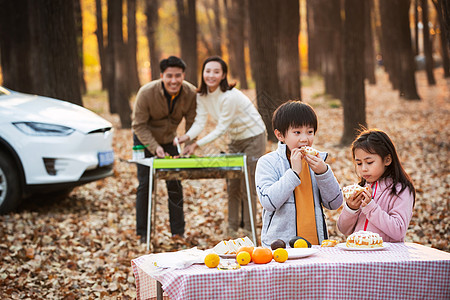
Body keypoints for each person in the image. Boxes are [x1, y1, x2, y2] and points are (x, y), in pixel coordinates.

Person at [176, 56, 267, 238]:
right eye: (208, 71)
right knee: (232, 183)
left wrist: (196, 145)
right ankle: (232, 228)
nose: (211, 75)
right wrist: (186, 137)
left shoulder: (229, 96)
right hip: (235, 141)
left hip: (254, 138)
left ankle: (249, 230)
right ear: (203, 73)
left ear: (223, 74)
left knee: (248, 184)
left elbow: (221, 128)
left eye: (216, 72)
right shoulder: (201, 95)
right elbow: (200, 121)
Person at [255, 100, 343, 248]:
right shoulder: (268, 162)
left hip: (316, 246)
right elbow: (269, 202)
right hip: (281, 248)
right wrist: (294, 173)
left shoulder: (317, 162)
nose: (305, 139)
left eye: (310, 132)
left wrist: (323, 172)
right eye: (297, 132)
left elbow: (335, 203)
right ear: (280, 135)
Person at [132, 56, 197, 243]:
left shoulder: (190, 93)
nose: (174, 80)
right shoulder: (146, 93)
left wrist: (188, 146)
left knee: (175, 183)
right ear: (161, 76)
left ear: (183, 75)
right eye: (169, 76)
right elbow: (138, 125)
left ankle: (178, 232)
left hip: (170, 140)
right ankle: (143, 233)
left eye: (178, 75)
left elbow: (193, 122)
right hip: (144, 140)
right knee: (145, 184)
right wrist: (155, 148)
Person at [337, 129, 416, 242]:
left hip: (387, 256)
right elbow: (343, 229)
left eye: (369, 162)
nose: (363, 169)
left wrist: (371, 208)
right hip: (359, 253)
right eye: (359, 163)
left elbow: (398, 230)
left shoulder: (400, 190)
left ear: (387, 160)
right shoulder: (362, 188)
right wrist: (351, 208)